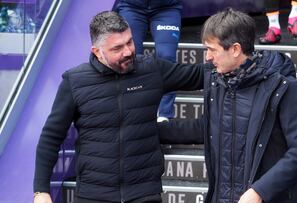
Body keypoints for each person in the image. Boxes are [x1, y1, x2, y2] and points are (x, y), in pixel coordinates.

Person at [33, 11, 205, 203]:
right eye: (117, 48)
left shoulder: (151, 69)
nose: (128, 51)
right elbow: (51, 137)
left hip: (144, 193)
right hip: (94, 194)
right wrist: (41, 191)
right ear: (97, 52)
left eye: (130, 42)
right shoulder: (74, 82)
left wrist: (237, 60)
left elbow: (199, 75)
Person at [159, 8, 297, 203]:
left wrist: (259, 191)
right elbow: (207, 127)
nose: (208, 57)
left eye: (212, 49)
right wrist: (147, 131)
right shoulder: (218, 83)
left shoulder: (286, 89)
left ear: (235, 49)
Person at [113, 0, 182, 122]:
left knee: (166, 57)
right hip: (131, 6)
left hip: (167, 7)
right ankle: (132, 110)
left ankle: (164, 114)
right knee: (128, 56)